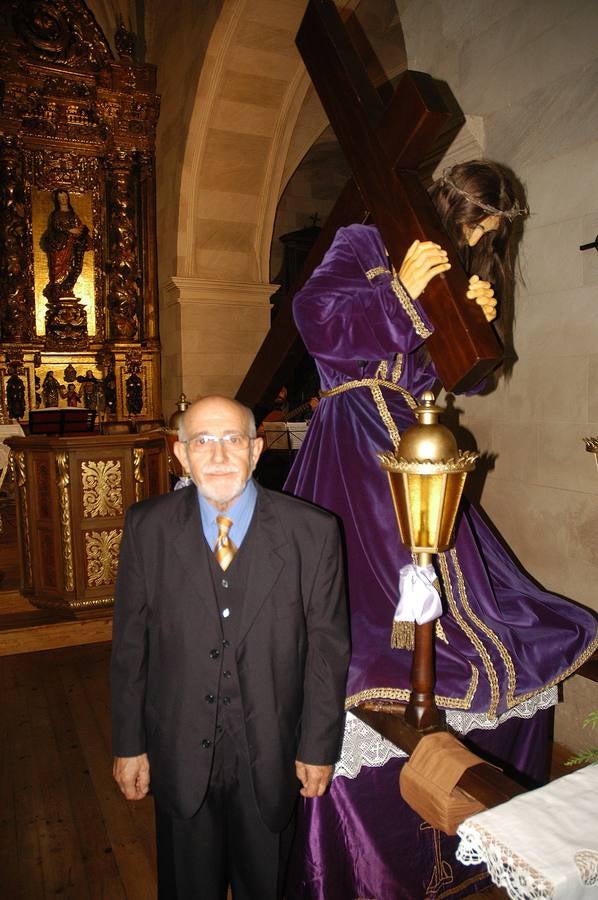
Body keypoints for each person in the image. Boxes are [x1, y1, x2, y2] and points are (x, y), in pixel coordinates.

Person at [284, 160, 598, 899]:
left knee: (478, 603)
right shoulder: (367, 240)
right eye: (473, 219)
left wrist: (474, 323)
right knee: (357, 609)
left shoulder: (462, 269)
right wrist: (400, 291)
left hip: (422, 442)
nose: (476, 236)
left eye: (488, 232)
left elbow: (469, 376)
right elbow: (315, 323)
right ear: (446, 200)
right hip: (354, 436)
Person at [111, 395, 350, 900]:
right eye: (202, 441)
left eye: (232, 440)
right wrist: (129, 743)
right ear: (181, 454)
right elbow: (131, 646)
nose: (218, 456)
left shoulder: (313, 532)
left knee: (267, 884)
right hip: (177, 749)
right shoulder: (146, 527)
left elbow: (328, 650)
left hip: (271, 751)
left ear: (256, 449)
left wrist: (317, 746)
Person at [41, 188, 91, 302]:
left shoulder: (72, 214)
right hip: (59, 245)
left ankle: (67, 288)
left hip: (73, 245)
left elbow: (79, 226)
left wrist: (80, 230)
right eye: (61, 198)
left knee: (74, 266)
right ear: (57, 200)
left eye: (65, 197)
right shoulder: (55, 215)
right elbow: (56, 227)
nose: (63, 200)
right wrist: (70, 230)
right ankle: (57, 289)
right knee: (58, 267)